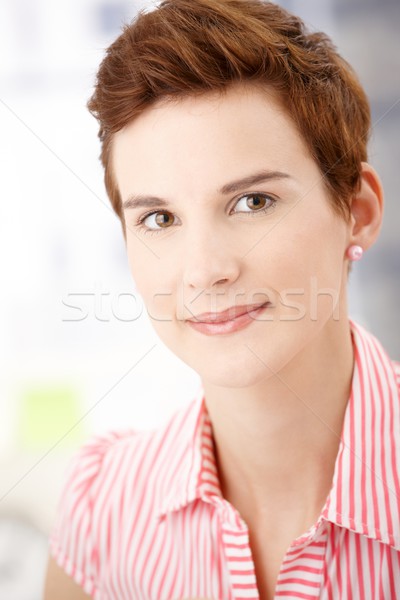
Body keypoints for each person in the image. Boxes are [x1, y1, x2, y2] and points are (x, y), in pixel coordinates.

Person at [43, 0, 400, 598]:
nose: (206, 270)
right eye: (159, 218)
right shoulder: (101, 505)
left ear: (357, 213)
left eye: (252, 202)